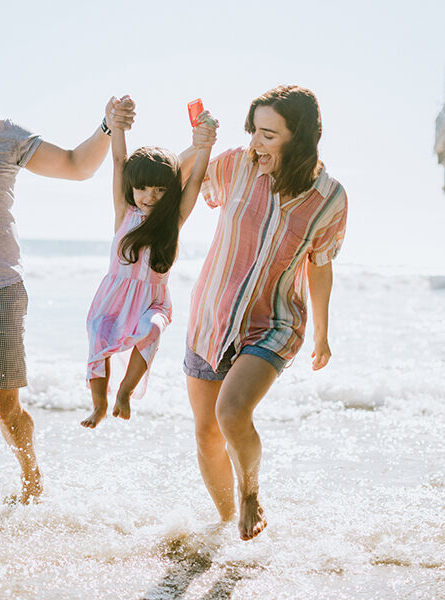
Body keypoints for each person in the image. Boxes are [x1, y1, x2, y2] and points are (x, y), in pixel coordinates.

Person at [0, 47, 133, 503]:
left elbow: (78, 167)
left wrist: (105, 127)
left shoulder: (6, 139)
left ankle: (32, 483)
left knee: (3, 407)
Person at [183, 85, 348, 540]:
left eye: (269, 135)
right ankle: (223, 531)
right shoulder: (237, 164)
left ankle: (250, 493)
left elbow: (320, 265)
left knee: (231, 413)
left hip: (273, 323)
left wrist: (322, 334)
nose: (257, 143)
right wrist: (199, 146)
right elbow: (180, 177)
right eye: (254, 130)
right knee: (206, 434)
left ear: (300, 138)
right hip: (211, 317)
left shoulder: (329, 198)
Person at [81, 99, 218, 428]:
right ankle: (98, 404)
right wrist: (117, 128)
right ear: (132, 187)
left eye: (159, 189)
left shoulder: (174, 220)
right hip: (113, 297)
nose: (149, 195)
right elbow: (117, 162)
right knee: (99, 340)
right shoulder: (124, 213)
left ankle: (125, 392)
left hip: (152, 301)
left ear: (170, 191)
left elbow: (195, 180)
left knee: (152, 330)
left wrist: (205, 146)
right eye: (142, 188)